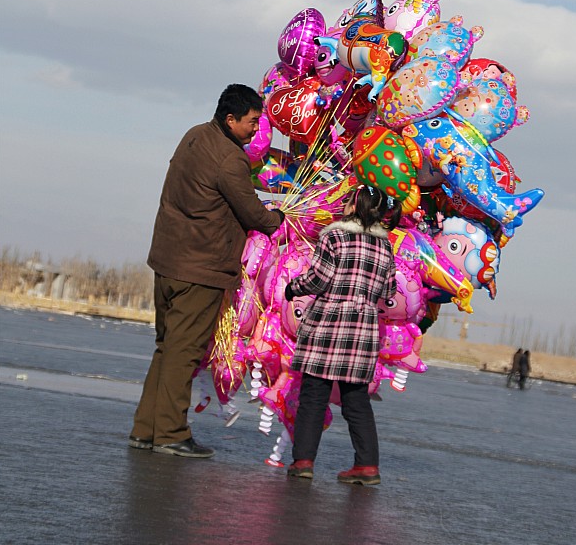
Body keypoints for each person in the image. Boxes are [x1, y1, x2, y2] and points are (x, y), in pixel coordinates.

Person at [129, 84, 284, 458]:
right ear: (230, 119)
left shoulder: (195, 136)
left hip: (167, 259)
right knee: (184, 352)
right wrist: (276, 219)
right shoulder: (230, 158)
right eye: (251, 121)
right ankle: (169, 433)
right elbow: (251, 212)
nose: (255, 128)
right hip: (199, 267)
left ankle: (145, 428)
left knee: (167, 348)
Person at [283, 185, 402, 486]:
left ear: (353, 206)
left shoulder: (334, 236)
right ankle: (367, 465)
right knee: (356, 400)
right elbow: (388, 293)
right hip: (362, 329)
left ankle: (303, 462)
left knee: (314, 396)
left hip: (329, 323)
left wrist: (292, 288)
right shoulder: (385, 247)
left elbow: (318, 278)